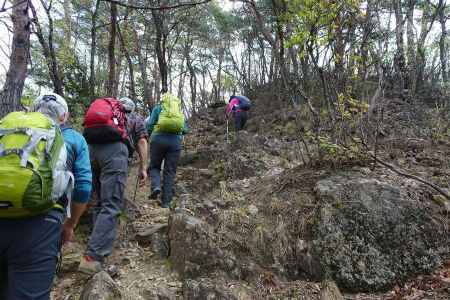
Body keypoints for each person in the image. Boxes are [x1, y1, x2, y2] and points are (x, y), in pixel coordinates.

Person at [0, 93, 92, 300]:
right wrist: (70, 224)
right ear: (64, 116)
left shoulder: (7, 129)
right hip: (41, 224)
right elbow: (84, 187)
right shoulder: (74, 139)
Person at [79, 97, 147, 275]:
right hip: (115, 152)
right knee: (111, 203)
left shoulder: (107, 117)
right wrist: (143, 167)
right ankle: (93, 257)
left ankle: (94, 242)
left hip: (90, 150)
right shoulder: (136, 119)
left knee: (99, 202)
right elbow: (141, 141)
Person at [146, 91, 188, 208]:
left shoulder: (158, 108)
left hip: (158, 139)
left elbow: (149, 125)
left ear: (163, 100)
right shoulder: (178, 111)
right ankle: (166, 203)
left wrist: (149, 136)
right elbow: (185, 129)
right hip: (175, 142)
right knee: (169, 171)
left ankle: (156, 186)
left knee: (154, 166)